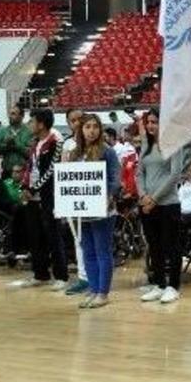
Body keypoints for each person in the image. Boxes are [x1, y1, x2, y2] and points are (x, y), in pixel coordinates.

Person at [66, 113, 121, 309]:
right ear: (81, 130)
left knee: (102, 251)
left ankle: (103, 292)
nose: (91, 130)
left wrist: (108, 197)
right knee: (87, 251)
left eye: (95, 126)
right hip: (82, 211)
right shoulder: (73, 153)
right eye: (87, 126)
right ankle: (93, 288)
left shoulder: (107, 152)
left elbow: (115, 179)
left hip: (103, 209)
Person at [136, 109, 189, 305]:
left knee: (171, 247)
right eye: (149, 122)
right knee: (154, 247)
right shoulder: (146, 145)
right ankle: (158, 284)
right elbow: (139, 172)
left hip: (168, 204)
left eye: (155, 122)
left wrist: (154, 199)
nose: (151, 126)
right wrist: (143, 196)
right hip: (147, 205)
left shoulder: (174, 144)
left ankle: (173, 286)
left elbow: (174, 175)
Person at [16, 108, 69, 290]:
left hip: (49, 195)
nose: (29, 125)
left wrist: (33, 188)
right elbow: (29, 167)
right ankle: (40, 274)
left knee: (53, 235)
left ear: (41, 124)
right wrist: (24, 186)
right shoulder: (35, 143)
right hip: (32, 196)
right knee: (35, 236)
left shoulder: (56, 142)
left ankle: (61, 276)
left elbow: (51, 171)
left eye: (32, 122)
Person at [60, 108, 89, 296]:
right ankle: (83, 276)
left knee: (91, 239)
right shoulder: (67, 145)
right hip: (75, 196)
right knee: (78, 239)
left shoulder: (94, 143)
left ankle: (94, 276)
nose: (77, 123)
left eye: (80, 119)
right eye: (73, 120)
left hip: (92, 196)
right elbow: (63, 173)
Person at [0, 105, 32, 189]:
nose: (10, 116)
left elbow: (31, 153)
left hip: (24, 173)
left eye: (13, 114)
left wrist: (16, 146)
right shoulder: (3, 131)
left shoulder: (29, 131)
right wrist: (7, 146)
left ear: (22, 116)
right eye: (10, 114)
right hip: (7, 172)